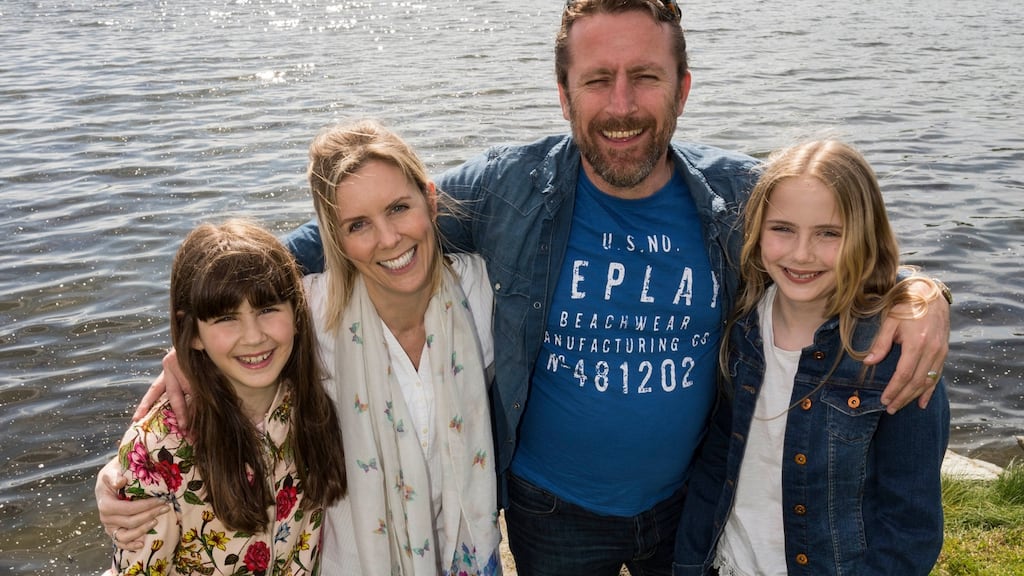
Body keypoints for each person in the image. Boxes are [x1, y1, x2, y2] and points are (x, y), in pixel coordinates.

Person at [101, 1, 951, 574]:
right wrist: (201, 335)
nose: (622, 104)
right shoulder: (511, 188)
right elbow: (337, 236)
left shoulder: (736, 198)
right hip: (549, 512)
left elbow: (828, 231)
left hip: (691, 499)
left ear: (683, 88)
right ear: (564, 94)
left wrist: (916, 292)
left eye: (646, 77)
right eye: (598, 80)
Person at [98, 120, 502, 575]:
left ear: (430, 200)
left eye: (399, 208)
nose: (388, 239)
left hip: (468, 549)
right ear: (336, 239)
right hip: (356, 562)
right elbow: (233, 326)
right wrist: (130, 468)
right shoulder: (311, 312)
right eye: (358, 225)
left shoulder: (483, 289)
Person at [672, 140, 950, 575]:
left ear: (865, 235)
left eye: (829, 233)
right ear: (756, 230)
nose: (801, 254)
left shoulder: (897, 355)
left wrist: (924, 293)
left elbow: (910, 525)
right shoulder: (740, 324)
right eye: (782, 228)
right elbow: (717, 462)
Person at [103, 219, 347, 575]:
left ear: (297, 312)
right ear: (192, 333)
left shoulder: (310, 408)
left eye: (267, 309)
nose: (253, 337)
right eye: (226, 318)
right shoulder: (159, 451)